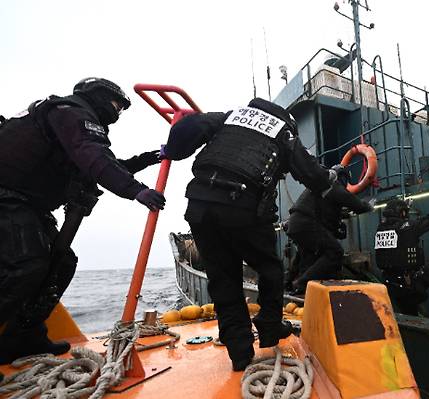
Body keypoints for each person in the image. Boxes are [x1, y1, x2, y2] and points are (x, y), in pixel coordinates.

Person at [0, 77, 165, 363]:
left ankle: (22, 337)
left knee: (62, 263)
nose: (118, 112)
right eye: (117, 105)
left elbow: (102, 164)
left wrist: (150, 158)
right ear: (98, 96)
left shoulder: (71, 125)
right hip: (8, 195)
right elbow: (94, 159)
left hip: (28, 203)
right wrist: (136, 190)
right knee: (26, 266)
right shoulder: (71, 113)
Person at [164, 98, 335, 371]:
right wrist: (329, 179)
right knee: (269, 269)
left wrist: (171, 149)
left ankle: (240, 353)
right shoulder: (282, 130)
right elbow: (312, 174)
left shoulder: (229, 116)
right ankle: (269, 327)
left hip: (200, 206)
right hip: (242, 207)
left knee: (224, 280)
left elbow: (189, 128)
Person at [285, 164, 373, 295]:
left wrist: (341, 214)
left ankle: (289, 285)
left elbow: (323, 208)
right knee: (335, 252)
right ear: (342, 178)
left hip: (295, 223)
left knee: (306, 254)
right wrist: (368, 206)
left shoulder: (317, 187)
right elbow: (355, 204)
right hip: (307, 223)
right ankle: (302, 283)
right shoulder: (332, 185)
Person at [375, 193, 429, 315]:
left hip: (391, 285)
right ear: (402, 213)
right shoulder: (409, 227)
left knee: (410, 315)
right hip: (411, 284)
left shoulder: (380, 229)